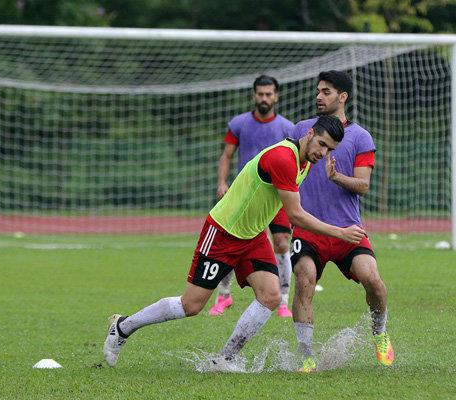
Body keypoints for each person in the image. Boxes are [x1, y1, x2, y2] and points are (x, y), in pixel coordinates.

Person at [103, 115, 366, 368]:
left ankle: (225, 359)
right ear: (309, 134)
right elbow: (296, 213)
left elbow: (282, 205)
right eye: (321, 144)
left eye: (329, 149)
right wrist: (340, 232)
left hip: (252, 236)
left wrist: (282, 230)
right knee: (191, 305)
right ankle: (123, 326)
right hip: (223, 233)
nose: (323, 153)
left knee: (271, 296)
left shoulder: (305, 163)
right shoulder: (283, 157)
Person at [289, 70, 394, 373]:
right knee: (304, 280)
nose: (319, 96)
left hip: (348, 231)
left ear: (342, 97)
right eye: (318, 91)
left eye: (326, 91)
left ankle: (380, 334)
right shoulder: (302, 130)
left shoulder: (360, 137)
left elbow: (363, 186)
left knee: (373, 280)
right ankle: (307, 356)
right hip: (308, 230)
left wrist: (336, 177)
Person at [210, 75, 295, 318]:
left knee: (281, 243)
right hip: (244, 195)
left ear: (276, 96)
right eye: (260, 93)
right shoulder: (239, 123)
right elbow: (227, 155)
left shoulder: (287, 128)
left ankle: (283, 301)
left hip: (275, 196)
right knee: (230, 243)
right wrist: (223, 182)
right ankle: (224, 296)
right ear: (253, 96)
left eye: (269, 94)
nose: (264, 98)